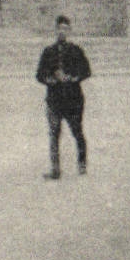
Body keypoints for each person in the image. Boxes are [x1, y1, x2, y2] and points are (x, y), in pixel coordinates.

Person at [36, 14, 91, 179]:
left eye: (65, 29)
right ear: (55, 30)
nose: (62, 32)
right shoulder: (48, 52)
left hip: (73, 99)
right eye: (59, 29)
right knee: (54, 134)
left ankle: (81, 164)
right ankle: (55, 169)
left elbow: (86, 71)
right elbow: (39, 74)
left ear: (69, 31)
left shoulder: (76, 50)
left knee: (77, 131)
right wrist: (52, 79)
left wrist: (71, 77)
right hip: (54, 99)